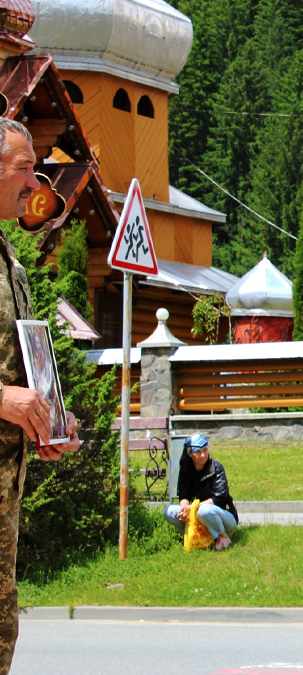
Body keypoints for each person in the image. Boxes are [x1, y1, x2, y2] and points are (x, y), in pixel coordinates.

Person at [0, 118, 82, 675]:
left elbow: (20, 370)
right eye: (25, 168)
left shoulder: (11, 260)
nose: (36, 183)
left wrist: (49, 420)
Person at [165, 433, 238, 550]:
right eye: (198, 452)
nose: (203, 455)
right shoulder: (186, 469)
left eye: (205, 450)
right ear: (190, 454)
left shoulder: (216, 467)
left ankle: (223, 536)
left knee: (205, 511)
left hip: (222, 515)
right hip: (197, 513)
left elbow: (219, 499)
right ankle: (192, 536)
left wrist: (192, 508)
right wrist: (184, 509)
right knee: (169, 511)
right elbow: (183, 495)